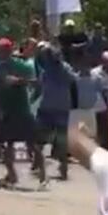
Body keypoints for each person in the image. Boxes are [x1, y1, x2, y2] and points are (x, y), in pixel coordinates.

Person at [0, 38, 45, 187]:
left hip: (21, 108)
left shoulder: (20, 64)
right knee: (8, 144)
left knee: (31, 142)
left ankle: (42, 173)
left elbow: (32, 80)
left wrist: (17, 81)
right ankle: (12, 174)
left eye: (4, 50)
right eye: (1, 50)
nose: (2, 52)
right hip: (7, 108)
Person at [36, 43, 78, 180]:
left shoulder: (46, 69)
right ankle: (62, 167)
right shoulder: (66, 68)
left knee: (40, 139)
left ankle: (39, 165)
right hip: (62, 107)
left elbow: (41, 84)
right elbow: (73, 81)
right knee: (61, 140)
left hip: (48, 106)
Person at [90, 51, 108, 150]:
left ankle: (107, 150)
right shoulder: (95, 72)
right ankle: (100, 150)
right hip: (100, 106)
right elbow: (100, 89)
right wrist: (106, 106)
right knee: (101, 131)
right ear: (102, 62)